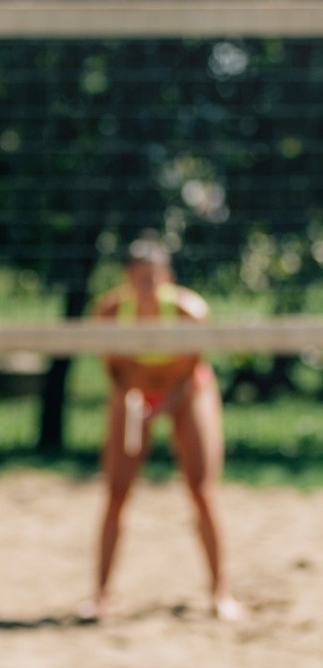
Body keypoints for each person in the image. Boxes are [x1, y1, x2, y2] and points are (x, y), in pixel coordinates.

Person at [82, 232, 240, 622]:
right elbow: (114, 370)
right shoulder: (111, 312)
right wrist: (136, 402)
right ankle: (101, 596)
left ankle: (221, 593)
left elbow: (190, 373)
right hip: (134, 394)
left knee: (201, 490)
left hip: (186, 394)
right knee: (116, 490)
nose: (146, 285)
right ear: (127, 278)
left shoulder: (190, 312)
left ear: (167, 276)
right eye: (138, 277)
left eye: (152, 277)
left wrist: (163, 406)